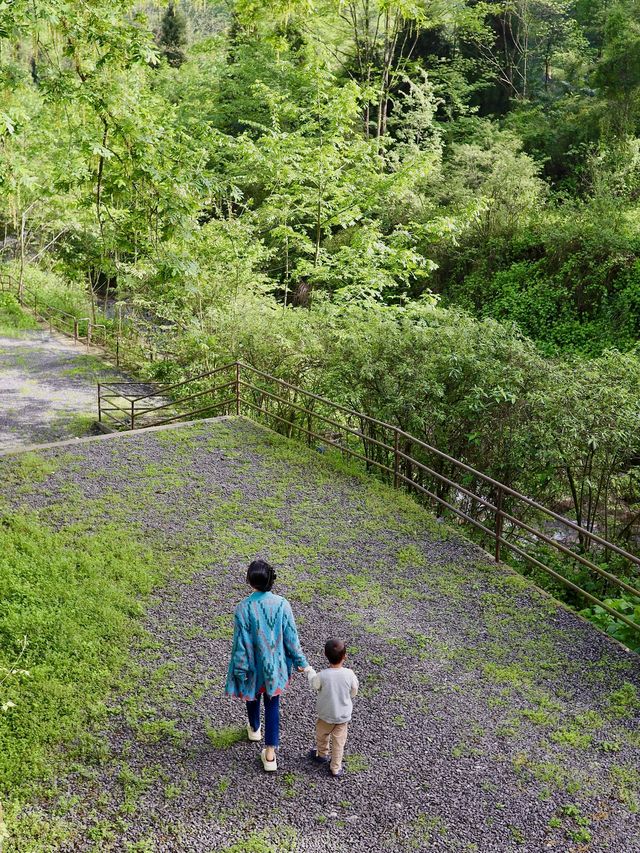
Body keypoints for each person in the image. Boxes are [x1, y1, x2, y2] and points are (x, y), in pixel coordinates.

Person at [225, 558, 308, 772]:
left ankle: (254, 728)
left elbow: (240, 645)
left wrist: (239, 669)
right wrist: (300, 662)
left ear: (250, 582)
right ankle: (270, 754)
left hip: (253, 668)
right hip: (275, 668)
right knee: (273, 706)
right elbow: (291, 637)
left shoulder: (243, 608)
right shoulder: (282, 604)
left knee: (252, 697)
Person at [305, 638, 359, 778]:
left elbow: (314, 684)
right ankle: (335, 767)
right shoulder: (349, 674)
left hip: (325, 715)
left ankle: (322, 754)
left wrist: (309, 670)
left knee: (322, 735)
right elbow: (354, 690)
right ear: (345, 656)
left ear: (325, 655)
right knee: (339, 742)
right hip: (342, 717)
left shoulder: (323, 676)